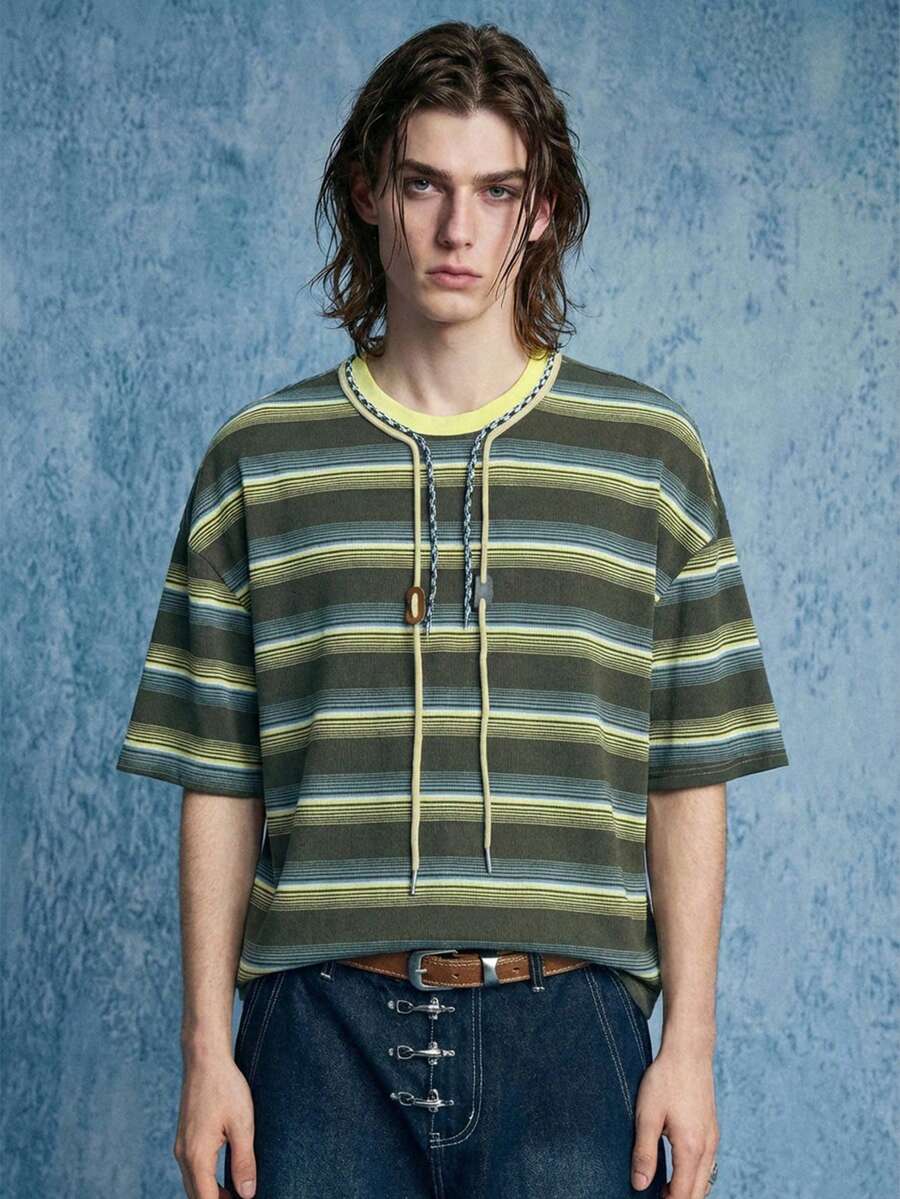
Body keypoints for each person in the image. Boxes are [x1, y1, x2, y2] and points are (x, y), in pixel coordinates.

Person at [115, 21, 789, 1199]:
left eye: (496, 190)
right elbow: (219, 775)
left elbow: (687, 772)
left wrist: (690, 1045)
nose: (457, 229)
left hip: (573, 1030)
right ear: (369, 192)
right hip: (313, 1033)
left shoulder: (649, 458)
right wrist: (205, 1049)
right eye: (424, 183)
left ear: (543, 211)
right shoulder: (259, 461)